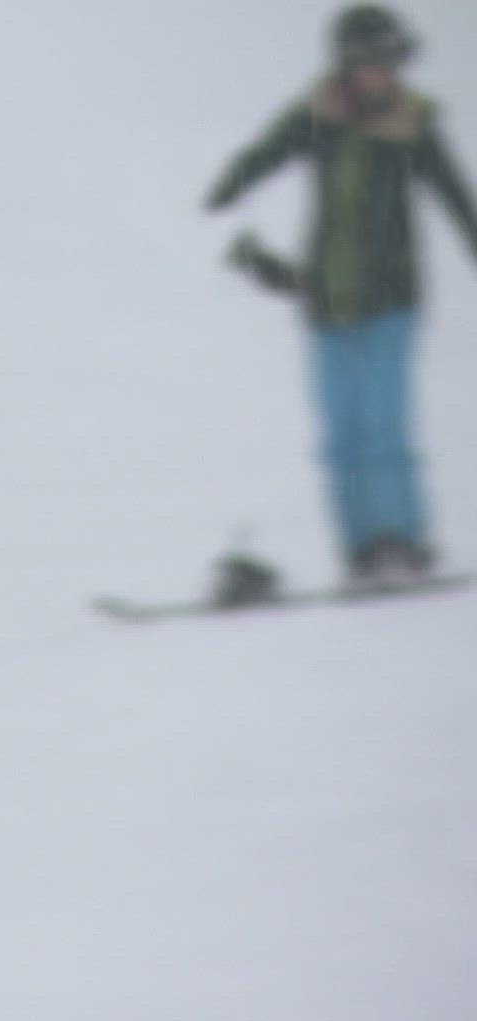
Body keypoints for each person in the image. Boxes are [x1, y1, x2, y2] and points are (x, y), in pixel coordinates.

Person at [205, 4, 477, 588]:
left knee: (383, 426)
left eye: (391, 65)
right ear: (349, 65)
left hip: (392, 299)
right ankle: (361, 551)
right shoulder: (317, 116)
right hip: (326, 301)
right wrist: (232, 183)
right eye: (373, 65)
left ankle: (404, 546)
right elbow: (266, 153)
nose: (384, 76)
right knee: (340, 434)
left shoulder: (414, 124)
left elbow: (457, 196)